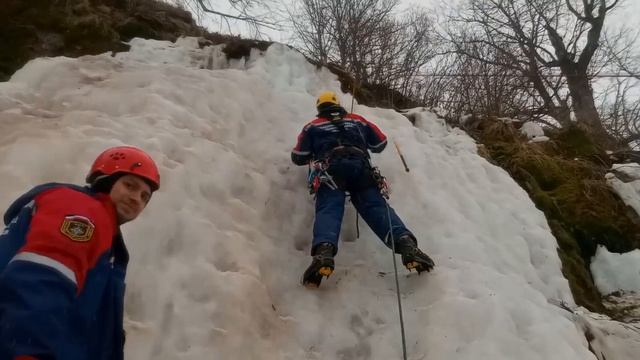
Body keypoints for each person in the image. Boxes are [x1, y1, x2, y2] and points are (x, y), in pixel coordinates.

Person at [0, 145, 160, 360]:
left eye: (144, 197)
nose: (136, 199)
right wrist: (28, 354)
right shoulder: (82, 209)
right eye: (130, 186)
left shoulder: (102, 231)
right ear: (106, 180)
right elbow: (43, 279)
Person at [292, 91, 434, 287]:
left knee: (329, 209)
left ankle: (324, 252)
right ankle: (406, 245)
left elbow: (298, 156)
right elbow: (380, 143)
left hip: (331, 171)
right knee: (375, 207)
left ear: (319, 108)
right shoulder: (358, 119)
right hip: (361, 168)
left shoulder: (311, 127)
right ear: (337, 104)